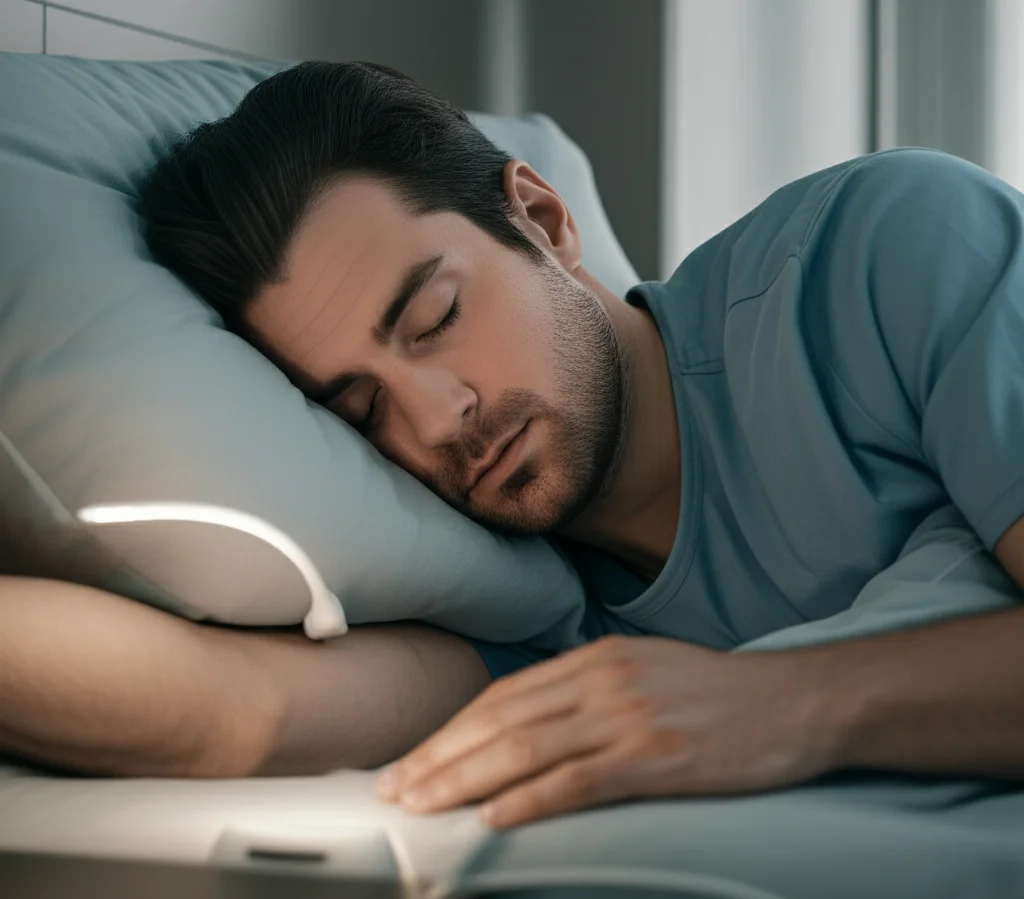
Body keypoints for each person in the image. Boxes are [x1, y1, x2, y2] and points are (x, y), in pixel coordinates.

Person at [6, 60, 1024, 828]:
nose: (432, 418)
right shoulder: (523, 607)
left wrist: (783, 706)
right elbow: (236, 714)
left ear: (539, 216)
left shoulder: (879, 259)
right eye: (361, 410)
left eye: (435, 315)